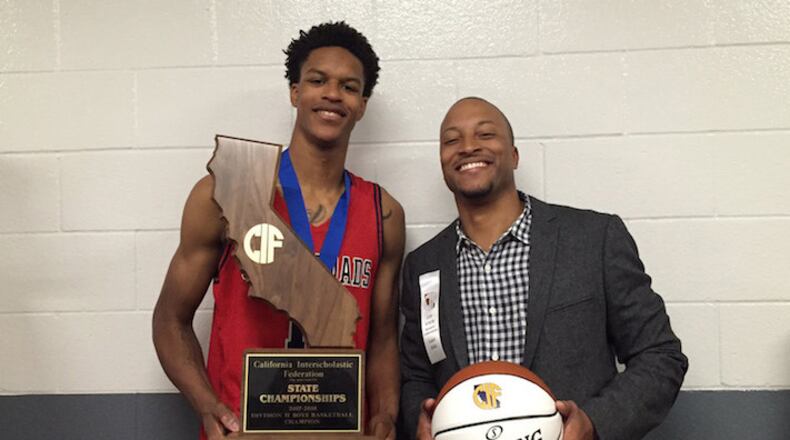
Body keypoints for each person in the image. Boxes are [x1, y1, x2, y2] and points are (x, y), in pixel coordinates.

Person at [153, 22, 404, 440]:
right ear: (294, 92)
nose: (331, 94)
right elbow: (170, 319)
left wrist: (386, 416)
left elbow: (382, 340)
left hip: (342, 433)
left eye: (348, 86)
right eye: (317, 80)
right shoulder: (230, 190)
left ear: (361, 104)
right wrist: (207, 405)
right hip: (243, 432)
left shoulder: (384, 213)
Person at [399, 97, 687, 440]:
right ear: (443, 161)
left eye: (486, 134)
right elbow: (416, 375)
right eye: (451, 140)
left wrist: (594, 422)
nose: (468, 146)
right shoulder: (424, 266)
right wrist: (422, 418)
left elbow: (659, 355)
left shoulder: (594, 240)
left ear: (515, 155)